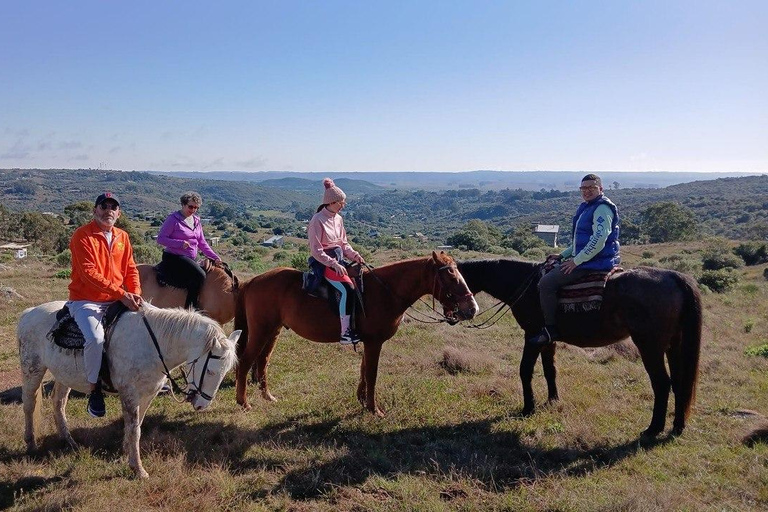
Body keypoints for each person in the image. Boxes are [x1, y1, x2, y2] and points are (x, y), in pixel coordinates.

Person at [68, 192, 143, 417]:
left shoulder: (122, 237)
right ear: (95, 210)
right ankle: (94, 390)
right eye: (104, 206)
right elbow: (89, 274)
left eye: (113, 207)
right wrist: (122, 294)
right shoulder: (82, 236)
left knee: (145, 328)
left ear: (118, 214)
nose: (108, 210)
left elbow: (130, 268)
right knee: (95, 338)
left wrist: (136, 293)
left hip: (117, 298)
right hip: (86, 301)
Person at [528, 173, 620, 346]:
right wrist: (563, 255)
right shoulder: (587, 207)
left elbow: (599, 239)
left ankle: (550, 329)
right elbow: (579, 242)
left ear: (600, 189)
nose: (587, 191)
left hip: (595, 261)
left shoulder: (601, 208)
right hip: (590, 258)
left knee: (546, 284)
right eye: (583, 188)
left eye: (591, 188)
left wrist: (576, 261)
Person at [308, 178, 366, 345]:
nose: (343, 205)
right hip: (323, 263)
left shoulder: (338, 219)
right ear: (332, 202)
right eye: (341, 202)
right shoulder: (317, 220)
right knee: (347, 288)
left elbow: (343, 244)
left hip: (339, 259)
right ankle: (345, 332)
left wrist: (354, 255)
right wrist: (333, 263)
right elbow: (316, 251)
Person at [156, 191, 222, 309]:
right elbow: (161, 239)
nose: (193, 210)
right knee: (200, 275)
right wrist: (179, 244)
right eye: (190, 206)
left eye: (196, 208)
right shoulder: (173, 219)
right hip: (174, 257)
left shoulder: (196, 221)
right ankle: (191, 309)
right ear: (183, 204)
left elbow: (202, 242)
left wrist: (215, 257)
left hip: (190, 258)